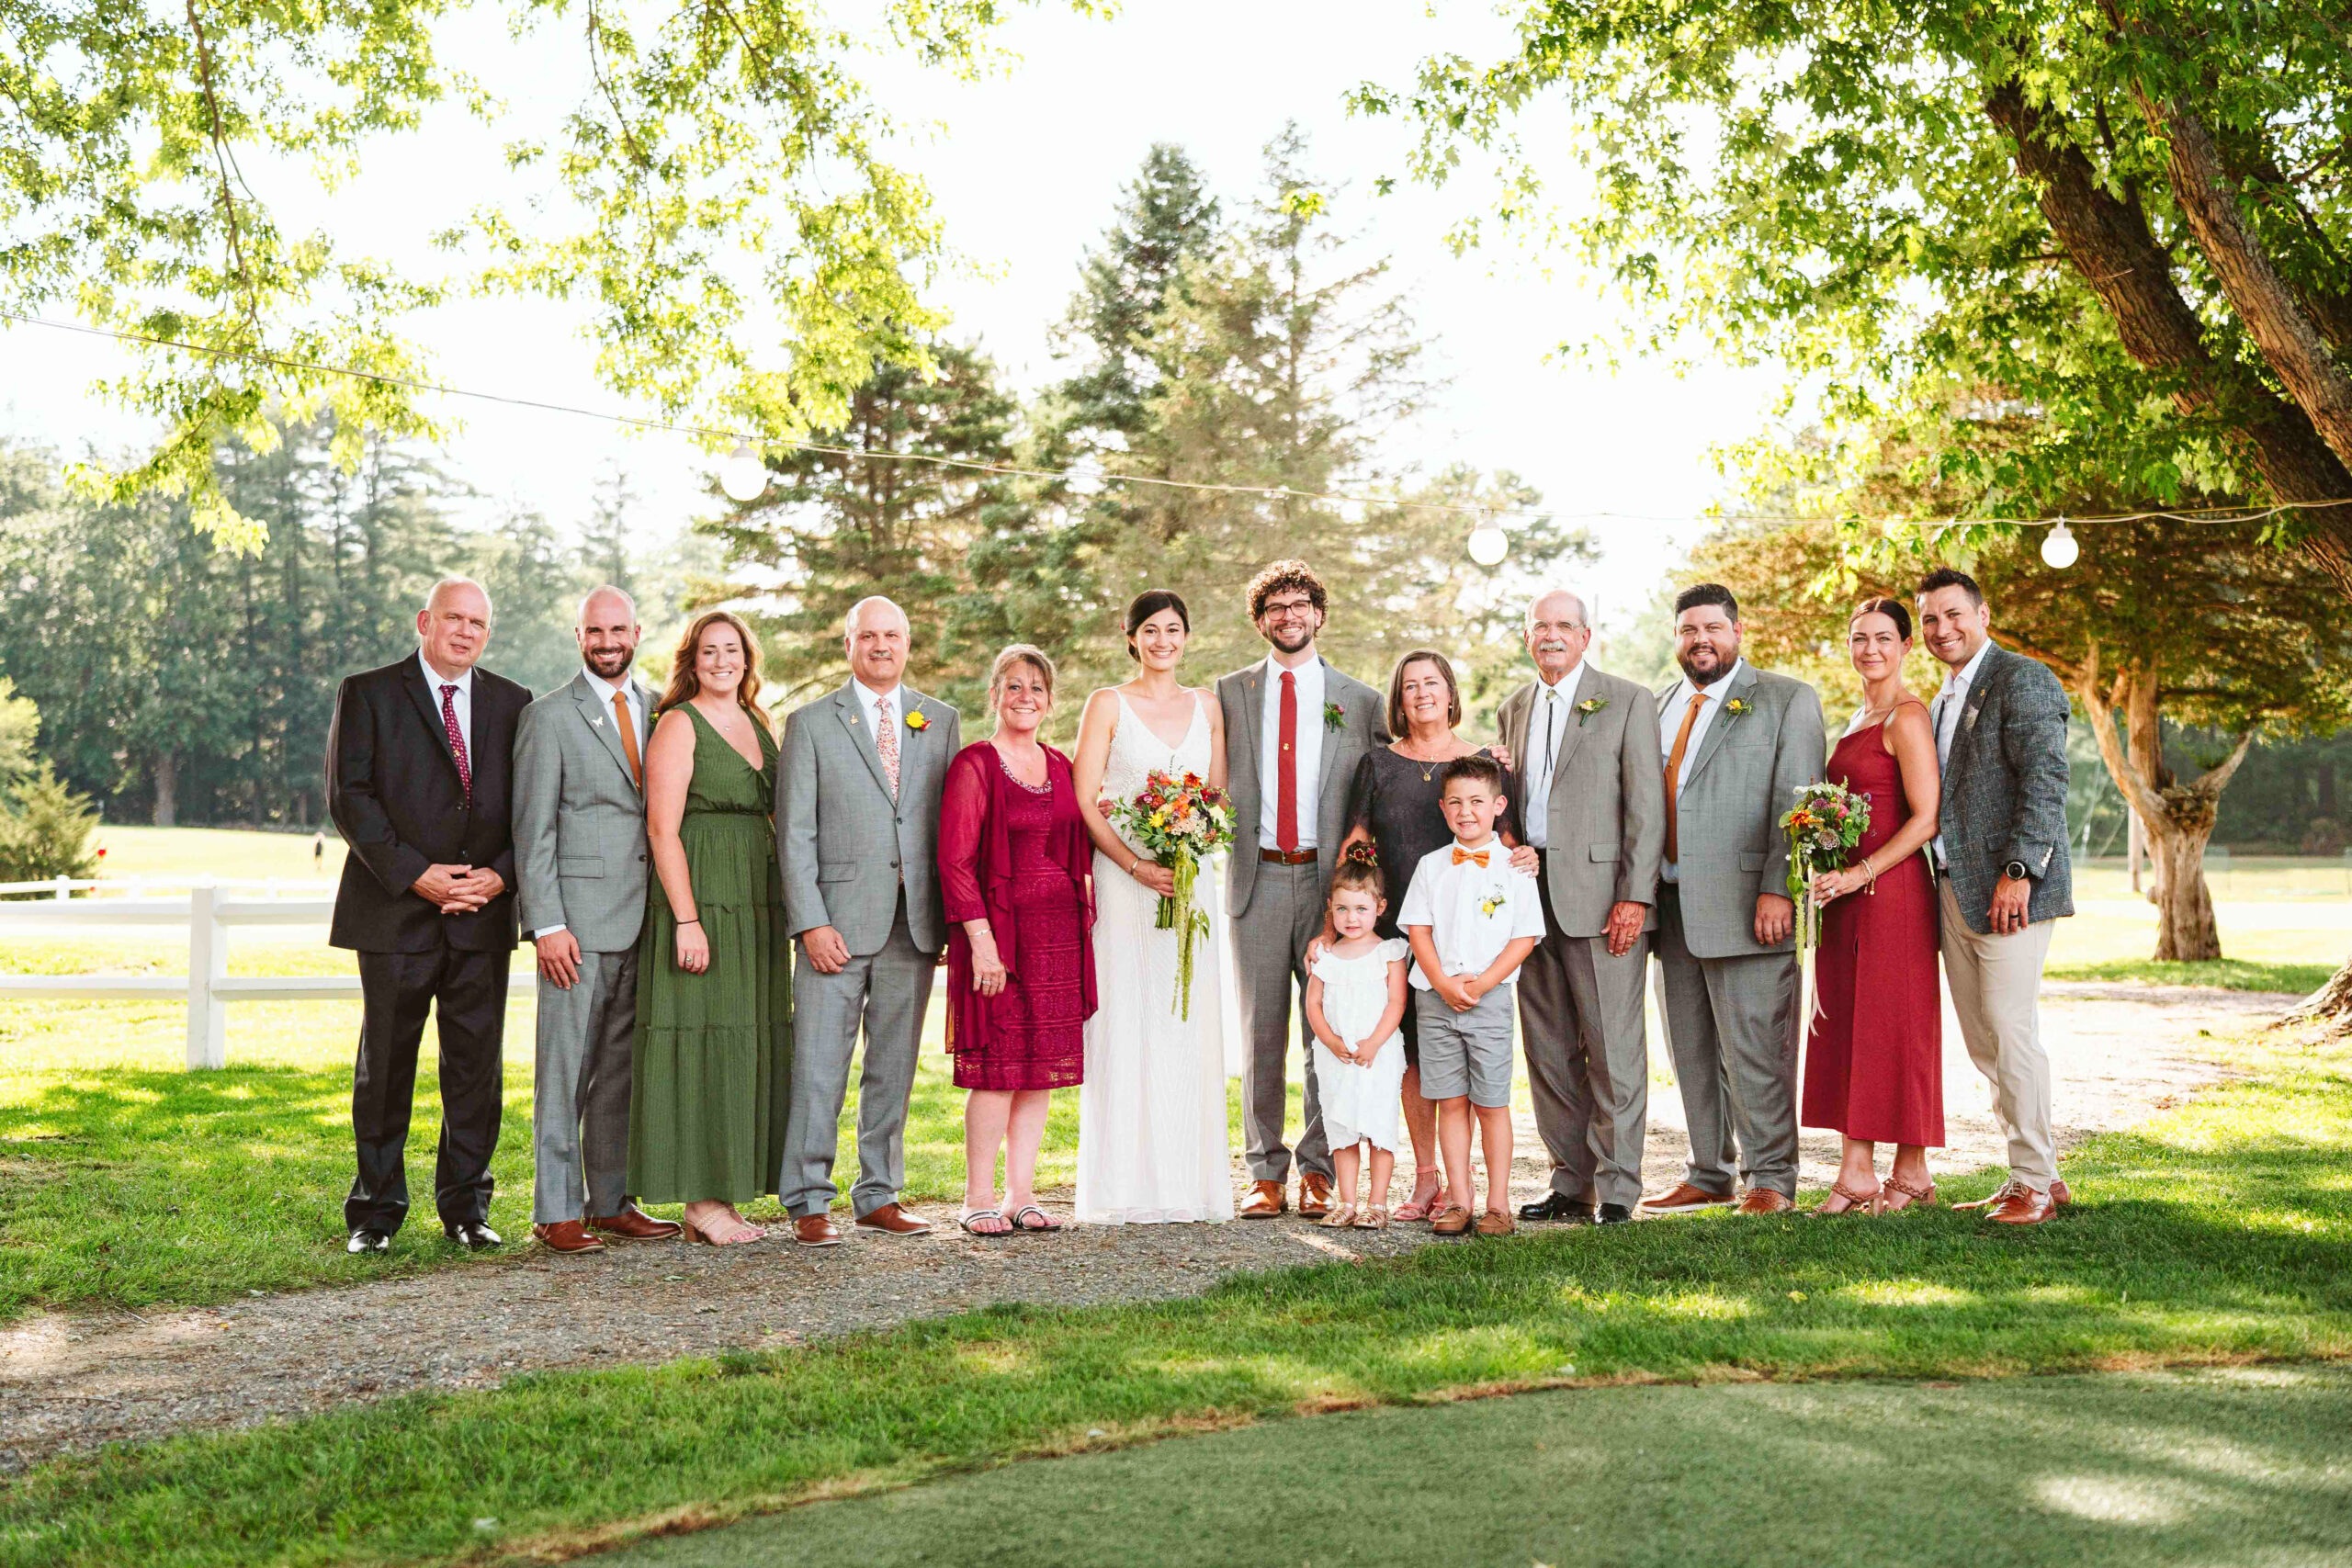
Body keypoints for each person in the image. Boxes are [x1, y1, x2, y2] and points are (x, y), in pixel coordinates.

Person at [325, 576, 530, 1255]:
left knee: (475, 1068)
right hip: (394, 911)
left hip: (481, 911)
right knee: (385, 1066)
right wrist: (418, 874)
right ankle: (374, 1213)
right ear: (425, 621)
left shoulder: (512, 702)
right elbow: (349, 797)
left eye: (478, 622)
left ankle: (467, 1208)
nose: (466, 631)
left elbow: (530, 803)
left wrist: (499, 875)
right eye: (454, 618)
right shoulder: (370, 692)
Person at [777, 596, 961, 1246]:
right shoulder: (810, 722)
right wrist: (810, 921)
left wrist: (949, 918)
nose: (882, 645)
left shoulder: (939, 720)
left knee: (893, 1067)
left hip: (913, 925)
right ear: (848, 643)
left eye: (893, 635)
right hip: (835, 925)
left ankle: (879, 1193)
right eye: (869, 635)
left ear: (908, 643)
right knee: (819, 1065)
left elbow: (950, 830)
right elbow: (794, 833)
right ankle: (807, 1198)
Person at [1642, 583, 1826, 1218]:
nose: (1701, 640)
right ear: (1676, 638)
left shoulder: (1785, 699)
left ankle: (1771, 1175)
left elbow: (1797, 801)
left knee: (1757, 1044)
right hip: (1670, 904)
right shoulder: (1659, 705)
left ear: (1738, 631)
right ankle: (1710, 1169)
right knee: (1690, 1048)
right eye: (1689, 629)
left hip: (1752, 901)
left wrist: (1779, 885)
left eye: (1713, 628)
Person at [1216, 560, 1389, 1220]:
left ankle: (1320, 1169)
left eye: (1300, 604)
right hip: (1256, 877)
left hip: (1331, 887)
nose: (1289, 616)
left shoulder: (1362, 699)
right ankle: (1265, 1172)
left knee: (1329, 1030)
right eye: (1275, 607)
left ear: (1319, 613)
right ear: (1261, 620)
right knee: (1261, 1032)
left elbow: (1383, 786)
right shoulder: (1230, 692)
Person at [1334, 649, 1532, 1221]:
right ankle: (1428, 1181)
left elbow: (1512, 841)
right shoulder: (1378, 764)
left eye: (1432, 683)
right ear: (1398, 700)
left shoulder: (1484, 763)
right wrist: (1341, 925)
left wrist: (1530, 861)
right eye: (1409, 686)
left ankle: (1473, 1193)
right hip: (1402, 932)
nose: (1421, 694)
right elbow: (1356, 842)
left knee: (1470, 1070)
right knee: (1414, 1055)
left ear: (1450, 693)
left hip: (1473, 939)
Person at [512, 586, 681, 1253]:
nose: (607, 641)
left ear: (637, 632)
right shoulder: (549, 717)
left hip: (646, 921)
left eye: (617, 629)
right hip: (575, 929)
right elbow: (534, 831)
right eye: (594, 631)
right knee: (565, 1069)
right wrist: (546, 923)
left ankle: (609, 1199)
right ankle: (555, 1208)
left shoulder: (661, 709)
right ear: (577, 635)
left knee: (619, 1068)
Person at [1496, 590, 1666, 1228]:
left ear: (1586, 635)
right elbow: (1506, 799)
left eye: (1564, 625)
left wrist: (1634, 895)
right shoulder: (1513, 706)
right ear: (1526, 636)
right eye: (1540, 625)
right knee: (1548, 1048)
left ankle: (1619, 1185)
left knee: (1613, 1046)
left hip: (1603, 900)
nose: (1551, 635)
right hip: (1529, 896)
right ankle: (1571, 1181)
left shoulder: (1626, 699)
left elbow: (1646, 810)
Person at [629, 610, 794, 1246]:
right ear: (691, 660)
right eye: (709, 650)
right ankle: (700, 1200)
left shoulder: (760, 723)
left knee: (744, 1038)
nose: (721, 660)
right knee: (699, 1038)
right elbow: (661, 829)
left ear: (748, 657)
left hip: (755, 906)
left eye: (732, 649)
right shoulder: (678, 723)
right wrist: (687, 919)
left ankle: (726, 1190)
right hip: (702, 898)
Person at [1917, 567, 2075, 1225]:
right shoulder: (1938, 700)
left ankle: (2032, 1182)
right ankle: (2039, 1171)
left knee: (2011, 1032)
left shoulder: (2023, 678)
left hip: (2012, 888)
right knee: (1985, 1041)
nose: (1942, 628)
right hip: (1954, 889)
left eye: (1953, 614)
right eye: (1929, 619)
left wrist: (2020, 869)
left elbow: (2047, 779)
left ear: (1983, 614)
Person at [1071, 591, 1234, 1224]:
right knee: (1125, 1017)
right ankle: (1120, 1185)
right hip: (1125, 880)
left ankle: (1189, 1184)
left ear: (1187, 636)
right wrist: (1137, 863)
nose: (1162, 640)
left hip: (1190, 883)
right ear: (1130, 635)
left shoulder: (1209, 708)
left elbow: (1215, 798)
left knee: (1184, 1018)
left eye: (1173, 629)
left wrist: (1191, 845)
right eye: (1150, 630)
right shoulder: (1107, 703)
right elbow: (1087, 799)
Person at [938, 646, 1096, 1236]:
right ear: (995, 697)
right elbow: (954, 862)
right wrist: (981, 944)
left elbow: (1079, 835)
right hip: (999, 936)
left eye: (1036, 687)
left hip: (1057, 936)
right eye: (1012, 687)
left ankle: (1020, 1196)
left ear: (1050, 701)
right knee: (996, 1070)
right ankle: (976, 1197)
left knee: (1038, 1072)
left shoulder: (1060, 764)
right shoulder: (975, 764)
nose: (1024, 697)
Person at [1799, 598, 1946, 1214]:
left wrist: (1862, 871)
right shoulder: (1860, 713)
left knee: (1897, 1029)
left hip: (1894, 895)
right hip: (1847, 898)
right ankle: (1860, 1170)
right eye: (1860, 638)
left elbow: (1925, 818)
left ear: (1906, 645)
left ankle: (1906, 1171)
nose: (1871, 649)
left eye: (1884, 638)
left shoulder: (1907, 717)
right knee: (1852, 1026)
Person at [1398, 754, 1545, 1237]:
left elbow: (1524, 938)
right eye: (1456, 803)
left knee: (1491, 1103)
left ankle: (1499, 1204)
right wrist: (1441, 981)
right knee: (1450, 1101)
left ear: (1498, 805)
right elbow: (1418, 928)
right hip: (1435, 998)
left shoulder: (1516, 868)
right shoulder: (1430, 866)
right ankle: (1459, 1199)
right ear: (1442, 809)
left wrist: (1481, 984)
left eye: (1477, 801)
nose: (1466, 811)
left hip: (1490, 998)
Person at [1303, 861, 1411, 1230]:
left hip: (1377, 1055)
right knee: (1342, 1127)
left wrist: (1374, 1043)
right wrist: (1331, 1041)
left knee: (1379, 1126)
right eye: (1342, 909)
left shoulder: (1390, 952)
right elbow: (1313, 1003)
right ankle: (1347, 1201)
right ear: (1330, 909)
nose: (1351, 918)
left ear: (1379, 908)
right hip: (1337, 1056)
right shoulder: (1326, 956)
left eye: (1361, 908)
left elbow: (1396, 1003)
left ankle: (1377, 1202)